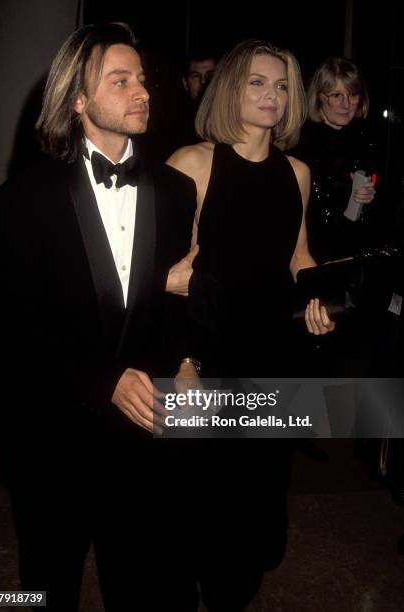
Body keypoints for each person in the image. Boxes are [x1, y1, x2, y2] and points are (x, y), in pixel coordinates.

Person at [0, 22, 195, 611]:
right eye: (121, 80)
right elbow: (14, 330)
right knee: (44, 585)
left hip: (140, 440)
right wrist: (102, 379)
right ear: (79, 100)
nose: (143, 92)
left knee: (135, 584)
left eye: (143, 79)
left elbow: (172, 302)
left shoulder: (177, 192)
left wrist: (187, 359)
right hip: (53, 438)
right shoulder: (24, 200)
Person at [168, 39, 334, 611]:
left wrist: (321, 301)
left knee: (259, 501)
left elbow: (300, 257)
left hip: (274, 357)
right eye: (258, 82)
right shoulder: (193, 163)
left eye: (283, 85)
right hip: (207, 358)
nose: (273, 95)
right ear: (231, 88)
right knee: (202, 501)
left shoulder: (299, 172)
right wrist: (182, 360)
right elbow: (169, 276)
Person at [291, 56, 379, 263]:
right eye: (336, 95)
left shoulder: (365, 139)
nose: (346, 104)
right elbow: (306, 214)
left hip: (357, 253)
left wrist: (369, 195)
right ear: (320, 97)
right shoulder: (301, 144)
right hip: (314, 255)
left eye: (353, 95)